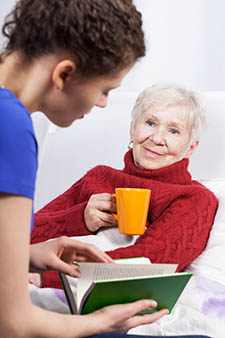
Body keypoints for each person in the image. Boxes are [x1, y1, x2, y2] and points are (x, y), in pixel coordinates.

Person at [0, 1, 173, 337]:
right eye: (105, 89)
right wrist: (103, 321)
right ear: (64, 73)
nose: (103, 103)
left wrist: (29, 254)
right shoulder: (10, 127)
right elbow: (13, 324)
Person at [30, 83, 218, 290]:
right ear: (132, 129)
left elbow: (150, 263)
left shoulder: (194, 198)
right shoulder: (98, 176)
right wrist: (79, 218)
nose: (156, 138)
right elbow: (19, 233)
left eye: (174, 131)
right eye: (150, 123)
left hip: (69, 288)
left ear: (191, 147)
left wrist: (52, 279)